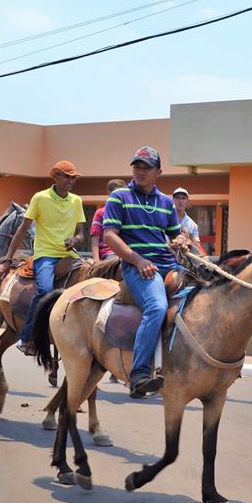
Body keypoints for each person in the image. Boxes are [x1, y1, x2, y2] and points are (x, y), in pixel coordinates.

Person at [102, 146, 186, 397]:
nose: (140, 172)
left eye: (146, 168)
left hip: (167, 264)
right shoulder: (119, 197)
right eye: (136, 167)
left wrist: (180, 240)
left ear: (158, 171)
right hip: (138, 267)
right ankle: (139, 374)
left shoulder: (166, 202)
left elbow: (175, 233)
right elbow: (109, 235)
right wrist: (137, 260)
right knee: (157, 307)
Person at [0, 160, 85, 356]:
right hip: (45, 254)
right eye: (67, 176)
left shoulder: (76, 201)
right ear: (55, 176)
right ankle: (28, 337)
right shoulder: (40, 198)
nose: (71, 180)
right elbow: (22, 230)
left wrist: (75, 239)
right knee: (45, 290)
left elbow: (81, 234)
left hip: (69, 255)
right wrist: (7, 258)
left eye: (74, 177)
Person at [90, 179, 125, 263]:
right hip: (110, 253)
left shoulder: (128, 212)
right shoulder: (101, 212)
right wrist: (96, 261)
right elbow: (95, 238)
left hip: (128, 251)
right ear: (110, 194)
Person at [172, 187, 203, 252]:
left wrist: (187, 238)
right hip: (166, 257)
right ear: (173, 200)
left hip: (185, 258)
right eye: (178, 198)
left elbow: (197, 247)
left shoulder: (192, 225)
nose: (181, 201)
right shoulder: (165, 218)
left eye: (183, 198)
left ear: (188, 202)